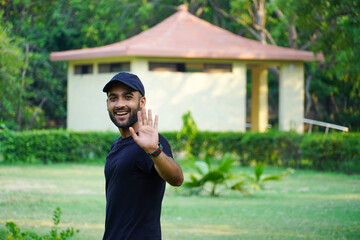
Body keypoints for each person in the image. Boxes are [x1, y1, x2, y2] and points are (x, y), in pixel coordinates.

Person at [102, 72, 184, 240]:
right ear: (107, 103)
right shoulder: (117, 145)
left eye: (128, 97)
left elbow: (177, 178)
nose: (120, 104)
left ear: (142, 102)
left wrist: (154, 151)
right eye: (113, 98)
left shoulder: (152, 143)